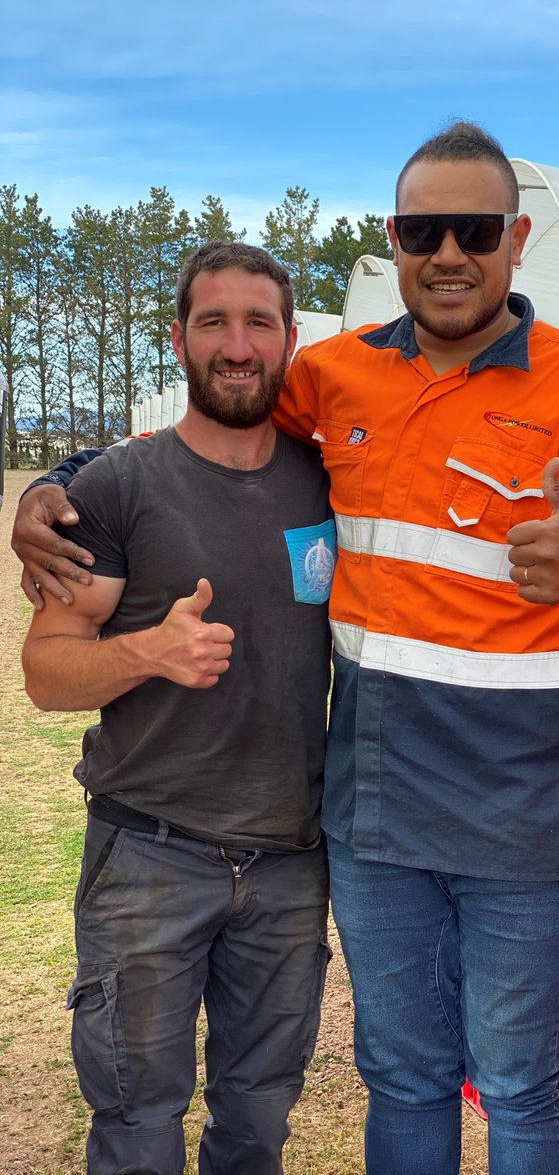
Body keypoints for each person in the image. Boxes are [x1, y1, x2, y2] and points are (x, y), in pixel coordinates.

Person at [14, 122, 559, 1175]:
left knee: (520, 1084)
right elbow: (222, 410)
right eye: (421, 229)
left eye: (472, 230)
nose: (446, 253)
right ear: (394, 241)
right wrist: (57, 482)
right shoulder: (336, 378)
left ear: (514, 240)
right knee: (402, 1073)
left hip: (528, 818)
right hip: (376, 814)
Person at [19, 242, 334, 1175]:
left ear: (287, 340)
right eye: (214, 322)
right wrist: (147, 652)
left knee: (258, 1122)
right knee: (137, 1126)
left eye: (259, 323)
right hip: (150, 855)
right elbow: (46, 673)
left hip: (288, 862)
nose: (237, 345)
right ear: (179, 338)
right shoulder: (117, 487)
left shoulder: (330, 481)